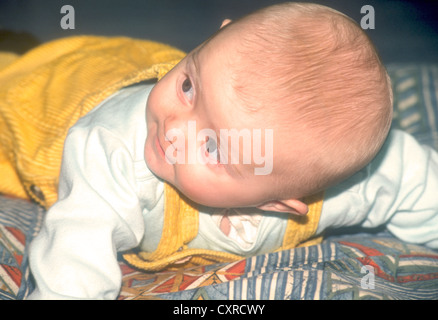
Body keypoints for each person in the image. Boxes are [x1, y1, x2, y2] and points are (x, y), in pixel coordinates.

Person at [0, 3, 435, 300]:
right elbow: (74, 252)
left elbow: (418, 183)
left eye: (211, 147)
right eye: (188, 86)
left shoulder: (348, 185)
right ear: (215, 38)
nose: (172, 127)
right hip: (47, 106)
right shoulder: (112, 153)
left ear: (278, 203)